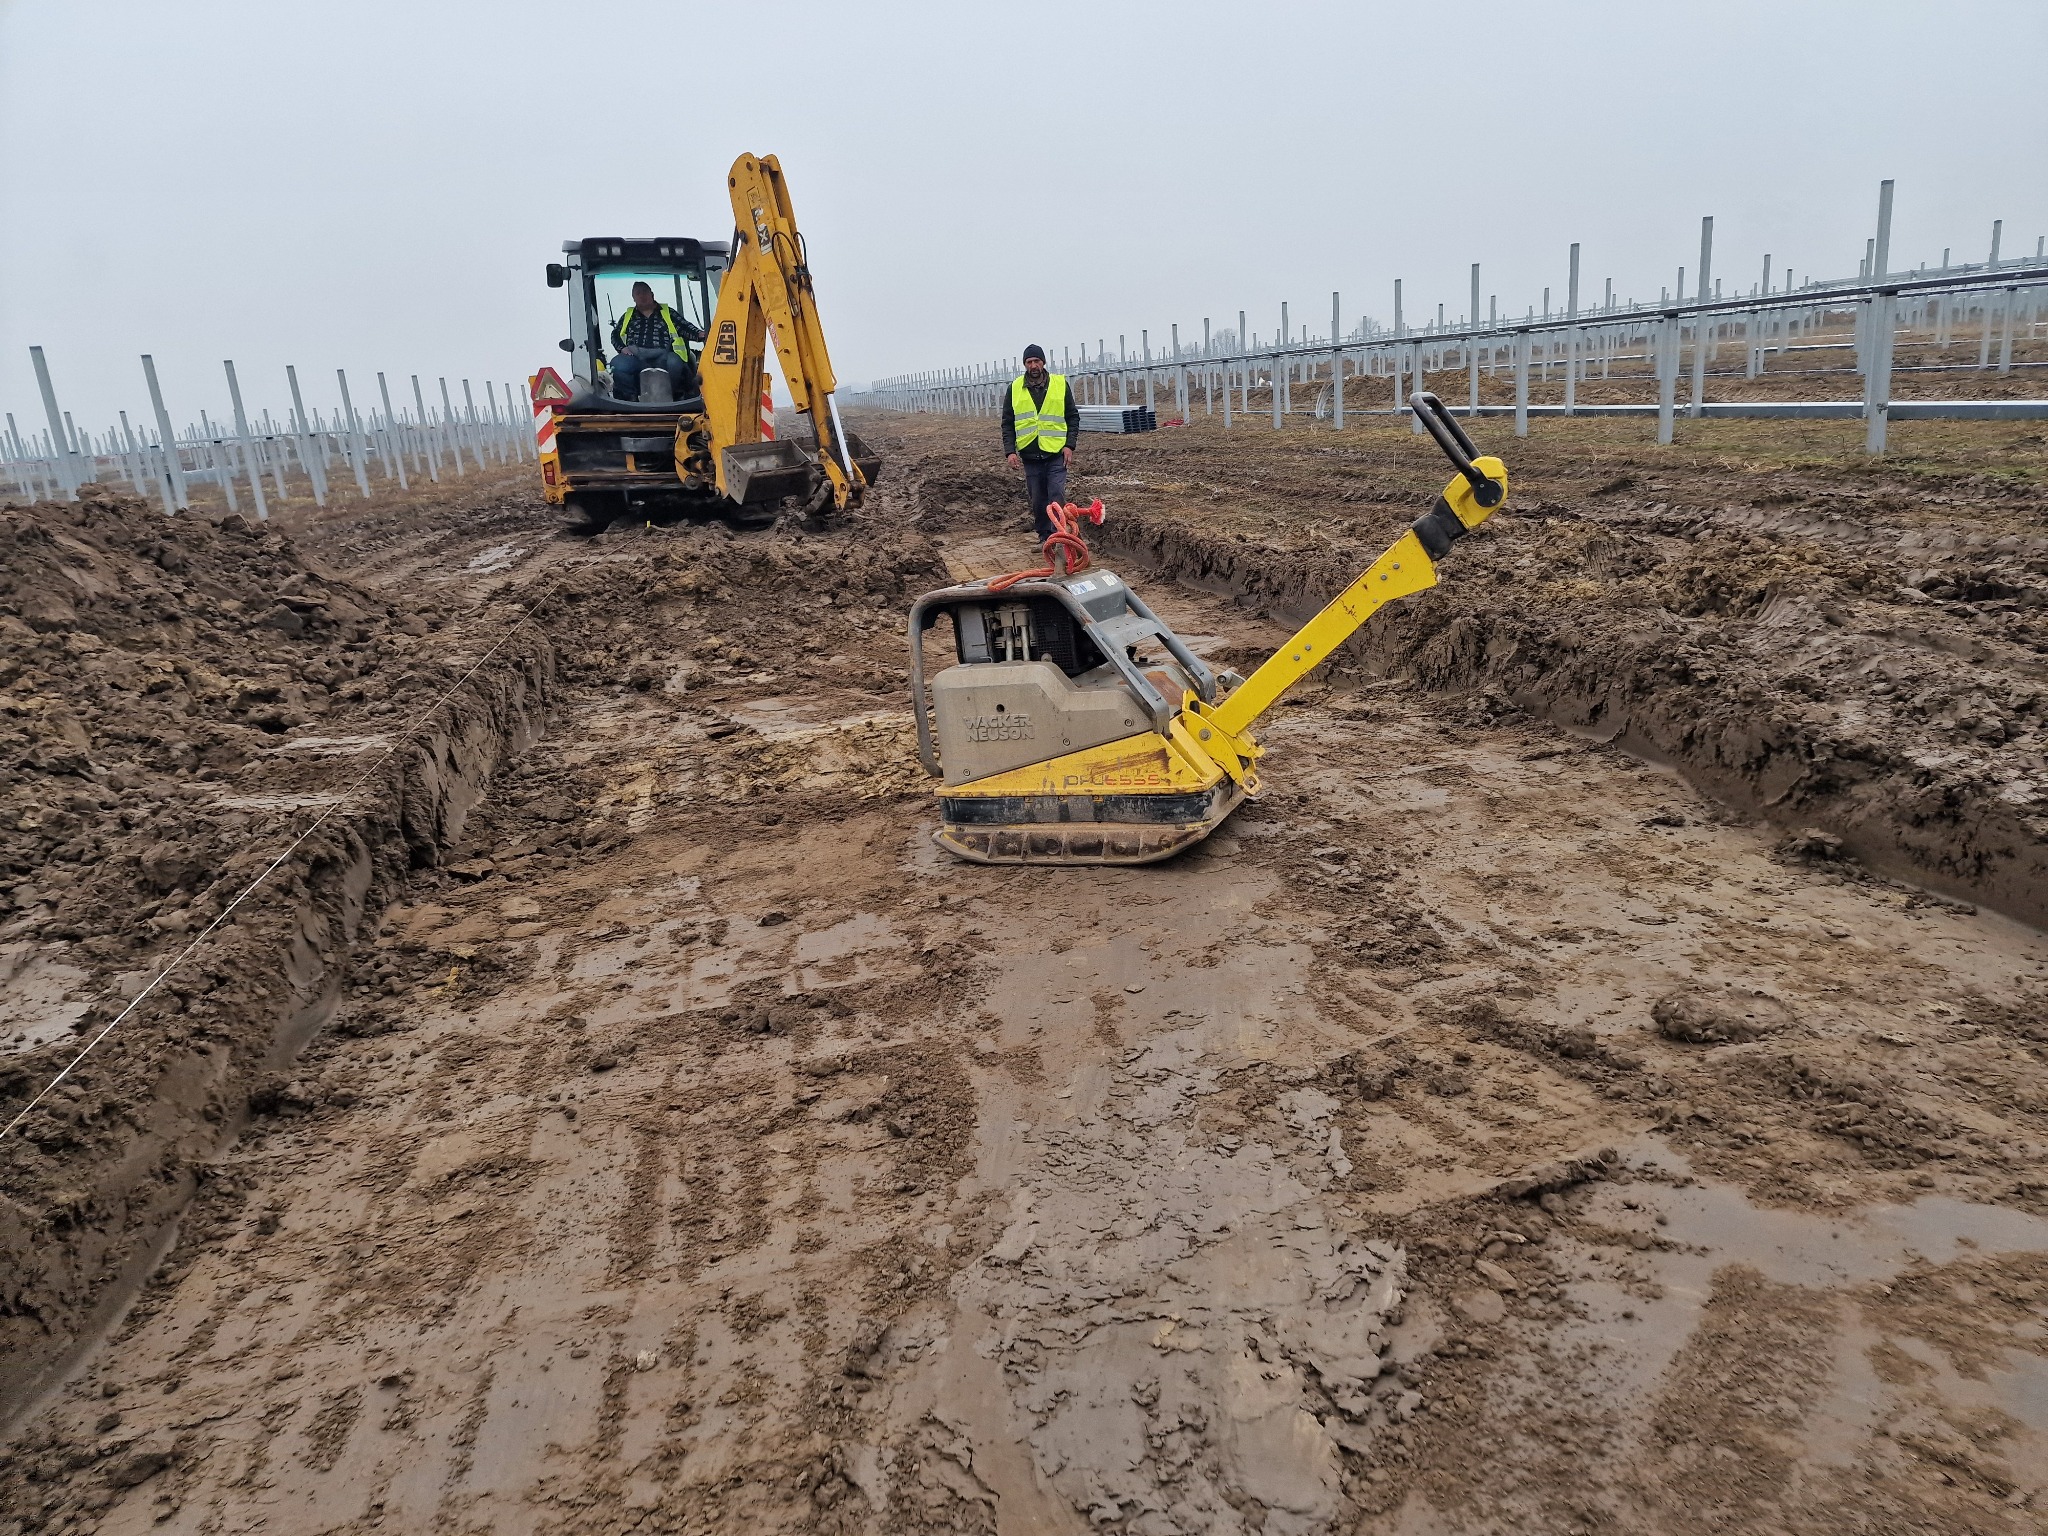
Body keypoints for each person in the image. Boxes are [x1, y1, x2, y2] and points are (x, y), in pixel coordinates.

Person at [1001, 343, 1080, 542]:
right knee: (1038, 500)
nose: (1033, 365)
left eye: (1037, 361)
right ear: (1025, 364)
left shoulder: (1060, 384)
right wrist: (1010, 451)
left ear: (1043, 362)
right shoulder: (1015, 388)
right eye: (1029, 362)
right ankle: (1044, 537)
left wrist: (1069, 445)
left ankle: (1058, 537)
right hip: (1030, 454)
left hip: (1056, 453)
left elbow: (1072, 416)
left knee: (1056, 495)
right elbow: (1007, 423)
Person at [610, 282, 703, 401]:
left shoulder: (668, 313)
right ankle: (631, 399)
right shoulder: (628, 316)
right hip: (635, 357)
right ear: (633, 298)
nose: (642, 296)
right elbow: (615, 335)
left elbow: (686, 327)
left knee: (675, 364)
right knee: (618, 365)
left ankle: (671, 396)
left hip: (663, 355)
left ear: (652, 294)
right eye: (638, 293)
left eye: (645, 292)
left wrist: (701, 334)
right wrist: (622, 348)